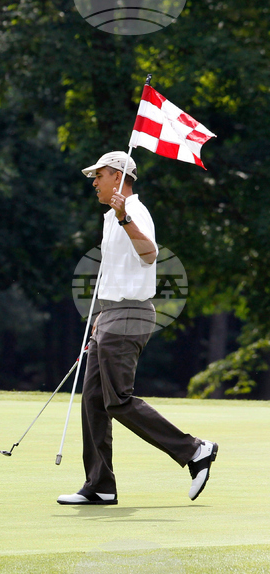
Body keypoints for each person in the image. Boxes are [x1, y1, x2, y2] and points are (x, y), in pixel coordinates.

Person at [57, 151, 217, 505]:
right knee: (94, 401)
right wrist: (100, 313)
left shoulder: (133, 213)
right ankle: (100, 485)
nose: (94, 182)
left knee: (118, 400)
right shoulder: (111, 218)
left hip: (130, 315)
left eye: (98, 175)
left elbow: (149, 254)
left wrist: (125, 216)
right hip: (112, 313)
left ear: (117, 176)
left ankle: (195, 450)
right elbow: (116, 272)